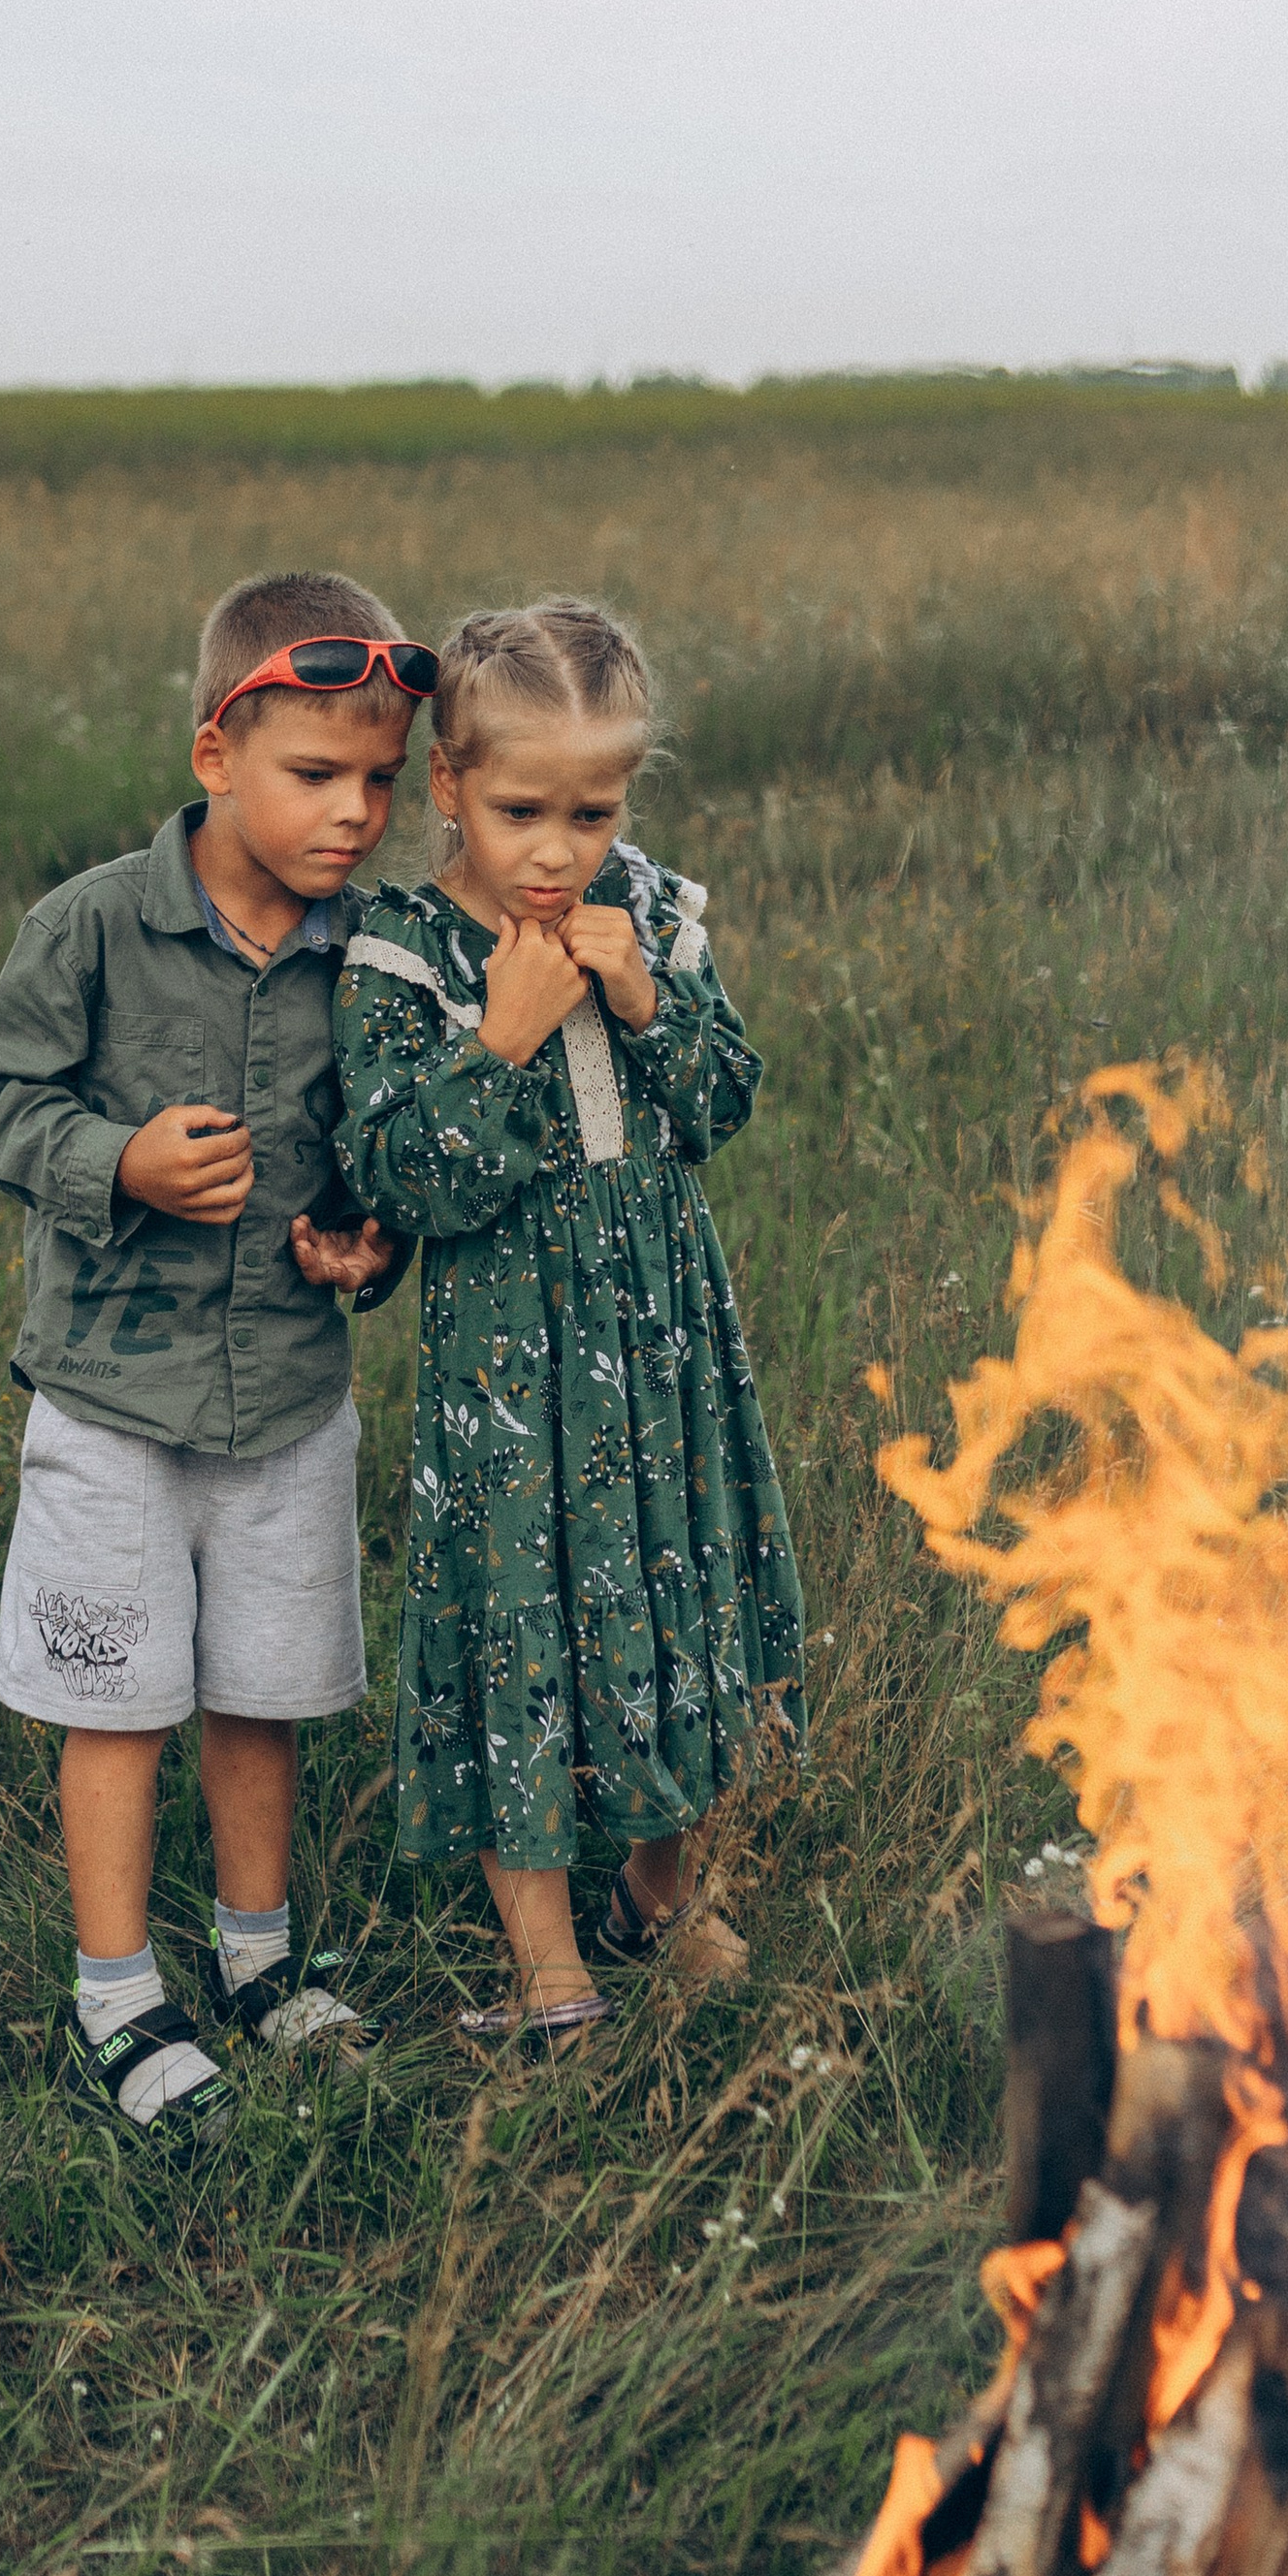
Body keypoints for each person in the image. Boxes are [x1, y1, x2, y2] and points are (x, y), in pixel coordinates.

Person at [0, 570, 433, 2152]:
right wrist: (122, 1161)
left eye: (381, 778)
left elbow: (376, 1160)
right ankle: (113, 1992)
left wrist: (367, 1246)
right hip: (114, 1401)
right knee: (120, 1702)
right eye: (317, 773)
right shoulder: (95, 924)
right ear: (215, 755)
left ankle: (257, 1959)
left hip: (290, 1401)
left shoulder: (374, 954)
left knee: (263, 1689)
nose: (356, 812)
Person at [332, 598, 805, 2044]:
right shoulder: (403, 947)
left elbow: (723, 1102)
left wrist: (647, 998)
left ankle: (658, 1893)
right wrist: (504, 1036)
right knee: (520, 1628)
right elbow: (398, 1174)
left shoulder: (643, 910)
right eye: (521, 811)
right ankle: (547, 1966)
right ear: (450, 786)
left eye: (592, 813)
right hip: (511, 1369)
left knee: (678, 1598)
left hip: (662, 1342)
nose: (557, 850)